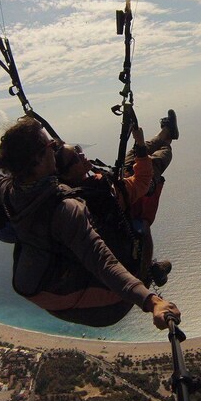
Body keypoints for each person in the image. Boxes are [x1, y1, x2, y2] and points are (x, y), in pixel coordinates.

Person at [0, 112, 180, 329]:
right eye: (48, 145)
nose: (53, 144)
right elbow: (103, 262)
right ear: (36, 161)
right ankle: (146, 271)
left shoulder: (10, 190)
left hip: (53, 293)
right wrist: (152, 302)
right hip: (104, 306)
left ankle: (166, 134)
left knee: (136, 163)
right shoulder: (64, 210)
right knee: (141, 227)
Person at [53, 110, 179, 285]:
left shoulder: (73, 187)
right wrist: (141, 143)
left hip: (120, 177)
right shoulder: (100, 193)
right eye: (75, 158)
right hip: (131, 184)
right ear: (65, 174)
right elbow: (142, 181)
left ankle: (166, 131)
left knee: (135, 151)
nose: (81, 155)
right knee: (163, 153)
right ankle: (168, 137)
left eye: (78, 150)